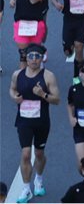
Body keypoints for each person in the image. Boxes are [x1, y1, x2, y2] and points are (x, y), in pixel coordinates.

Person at [10, 44, 60, 203]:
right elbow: (12, 89)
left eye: (37, 57)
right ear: (26, 57)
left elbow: (57, 99)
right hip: (24, 120)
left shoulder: (48, 76)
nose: (33, 60)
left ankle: (38, 178)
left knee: (39, 153)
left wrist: (43, 94)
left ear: (42, 58)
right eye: (30, 56)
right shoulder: (17, 74)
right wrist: (14, 97)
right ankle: (26, 189)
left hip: (42, 121)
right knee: (25, 154)